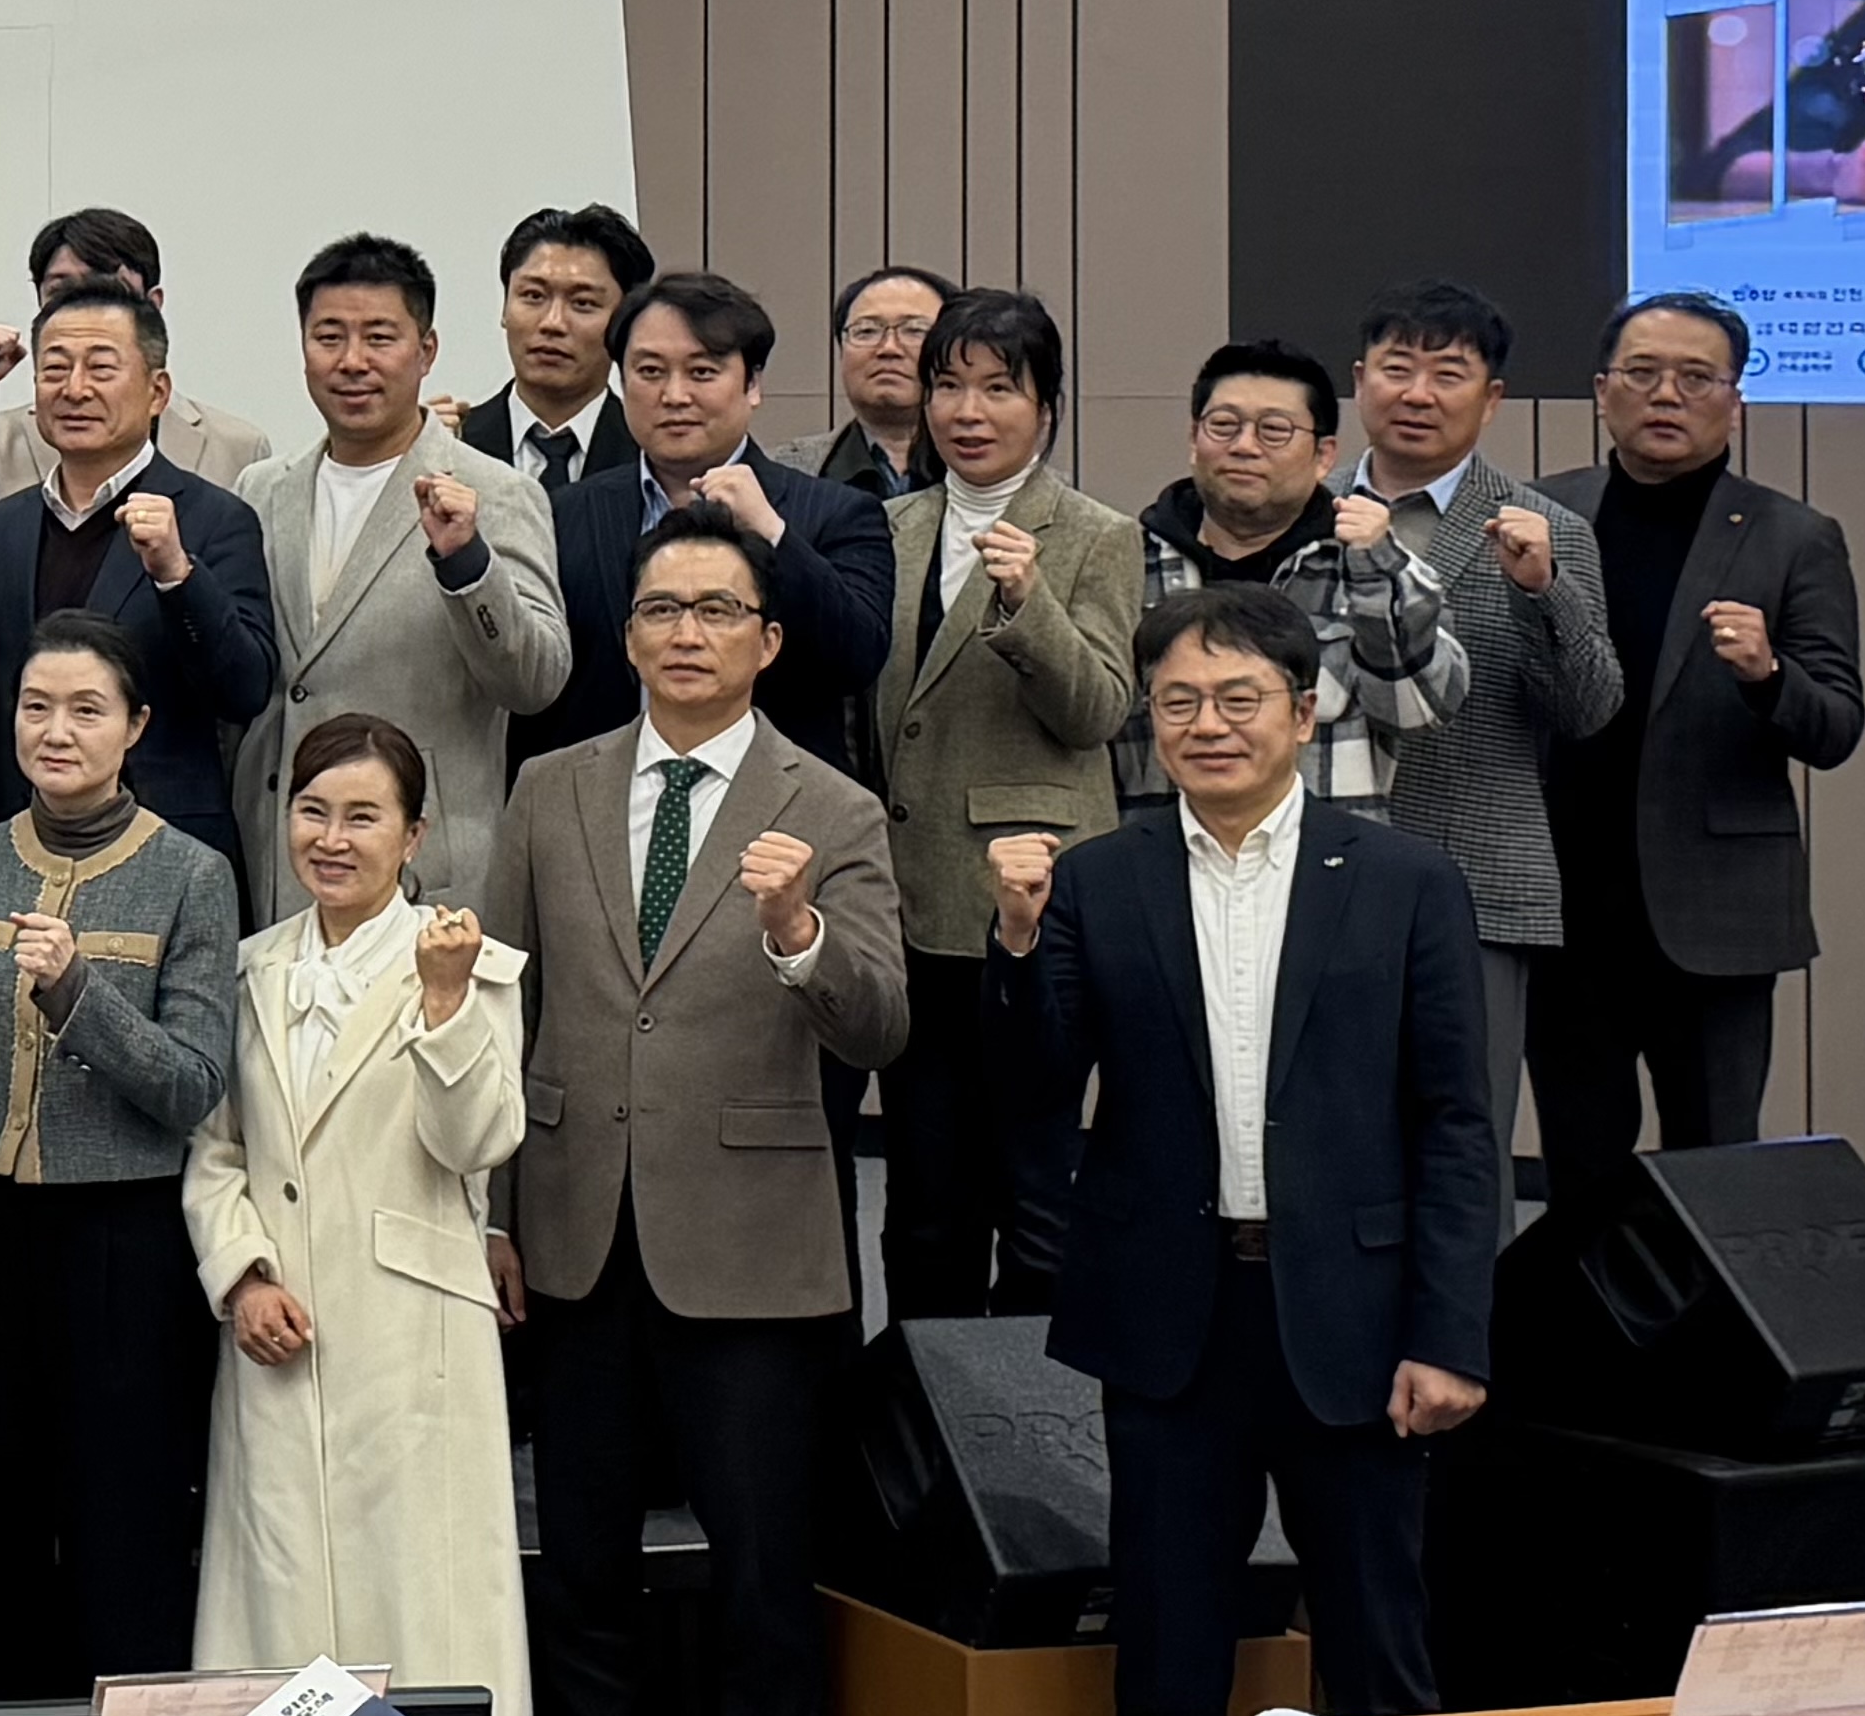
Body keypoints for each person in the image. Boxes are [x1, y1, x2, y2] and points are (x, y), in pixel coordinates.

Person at [990, 586, 1500, 1716]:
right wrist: (1018, 939)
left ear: (1304, 711)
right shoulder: (1095, 880)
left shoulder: (1404, 881)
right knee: (1167, 1655)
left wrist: (1447, 1334)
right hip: (1174, 1317)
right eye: (1178, 702)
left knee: (1377, 1646)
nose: (1207, 725)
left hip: (1356, 1316)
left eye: (1237, 698)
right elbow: (1031, 1092)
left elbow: (1458, 1123)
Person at [485, 506, 905, 1716]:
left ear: (769, 641)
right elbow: (505, 1005)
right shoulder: (549, 786)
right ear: (624, 635)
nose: (686, 633)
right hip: (572, 1231)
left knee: (766, 1574)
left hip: (752, 1250)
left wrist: (796, 935)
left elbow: (880, 1025)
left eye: (716, 610)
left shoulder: (831, 806)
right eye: (661, 609)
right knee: (581, 1567)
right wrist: (494, 1214)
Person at [0, 612, 245, 1698]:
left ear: (135, 726)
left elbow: (192, 1084)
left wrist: (80, 995)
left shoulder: (193, 873)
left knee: (119, 1531)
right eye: (36, 705)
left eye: (87, 708)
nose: (55, 730)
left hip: (122, 1241)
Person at [187, 713, 532, 1716]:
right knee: (276, 1597)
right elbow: (216, 1150)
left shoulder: (477, 965)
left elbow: (478, 1139)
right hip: (277, 1333)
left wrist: (440, 1005)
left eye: (363, 817)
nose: (332, 839)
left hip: (411, 1340)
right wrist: (241, 1274)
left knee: (421, 1603)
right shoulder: (247, 970)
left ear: (415, 835)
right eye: (312, 811)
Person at [1535, 294, 1865, 1214]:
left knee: (1717, 1173)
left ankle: (1714, 1363)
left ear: (1735, 400)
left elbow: (1836, 727)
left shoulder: (1792, 535)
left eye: (1695, 377)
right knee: (1578, 1169)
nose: (1665, 395)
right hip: (1565, 907)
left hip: (1714, 916)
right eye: (1641, 373)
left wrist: (1767, 676)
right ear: (1602, 391)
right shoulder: (1541, 515)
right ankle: (1587, 1359)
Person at [867, 288, 1142, 1322]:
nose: (967, 411)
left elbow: (1098, 710)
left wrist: (1029, 609)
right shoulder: (890, 526)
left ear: (1047, 405)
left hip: (1026, 899)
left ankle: (1035, 1428)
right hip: (905, 900)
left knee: (1036, 1190)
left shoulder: (1093, 535)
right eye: (947, 385)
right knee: (923, 1196)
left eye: (997, 388)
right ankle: (922, 1433)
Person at [1345, 280, 1621, 1232]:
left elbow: (1589, 709)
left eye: (1447, 373)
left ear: (1491, 398)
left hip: (1477, 885)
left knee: (1459, 1149)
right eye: (1396, 368)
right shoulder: (1306, 510)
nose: (1416, 392)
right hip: (1314, 875)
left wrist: (1542, 591)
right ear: (1358, 381)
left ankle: (1470, 1364)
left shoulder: (1544, 530)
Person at [229, 233, 567, 928]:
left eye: (378, 337)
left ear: (426, 350)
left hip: (423, 878)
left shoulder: (492, 493)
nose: (352, 361)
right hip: (276, 870)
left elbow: (535, 680)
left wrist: (467, 565)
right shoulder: (260, 490)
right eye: (329, 337)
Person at [523, 272, 896, 781]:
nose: (674, 395)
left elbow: (856, 658)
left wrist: (772, 532)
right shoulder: (564, 513)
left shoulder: (839, 511)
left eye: (702, 373)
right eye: (650, 371)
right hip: (604, 814)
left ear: (753, 384)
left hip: (774, 820)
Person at [0, 276, 277, 871]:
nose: (74, 389)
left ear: (157, 391)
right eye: (55, 369)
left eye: (101, 368)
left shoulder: (215, 518)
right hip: (19, 843)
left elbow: (245, 689)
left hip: (165, 848)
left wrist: (178, 576)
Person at [1115, 341, 1465, 821]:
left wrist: (1377, 570)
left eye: (1274, 430)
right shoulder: (1126, 561)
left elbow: (1417, 710)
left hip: (1327, 870)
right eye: (1223, 425)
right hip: (1156, 863)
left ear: (1324, 455)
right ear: (1194, 439)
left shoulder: (1366, 563)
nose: (1244, 446)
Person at [0, 206, 272, 517]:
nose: (86, 308)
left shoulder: (236, 447)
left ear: (154, 304)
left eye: (108, 289)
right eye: (61, 292)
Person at [452, 203, 653, 493]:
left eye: (583, 303)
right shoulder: (453, 445)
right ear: (505, 308)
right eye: (533, 296)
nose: (552, 323)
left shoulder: (652, 457)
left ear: (625, 322)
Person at [785, 264, 953, 499]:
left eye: (914, 330)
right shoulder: (785, 471)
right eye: (866, 331)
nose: (888, 348)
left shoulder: (999, 474)